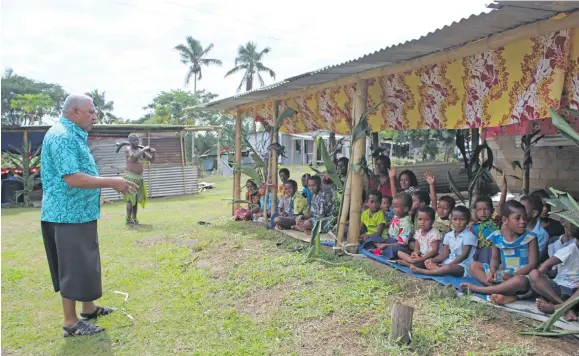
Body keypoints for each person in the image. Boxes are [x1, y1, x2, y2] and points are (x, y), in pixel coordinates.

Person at [40, 94, 138, 337]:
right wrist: (113, 182)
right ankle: (71, 322)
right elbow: (72, 178)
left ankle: (89, 309)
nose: (95, 116)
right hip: (66, 215)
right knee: (73, 267)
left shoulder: (72, 134)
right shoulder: (62, 136)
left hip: (80, 213)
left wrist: (97, 192)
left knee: (86, 262)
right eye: (91, 112)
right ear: (75, 111)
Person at [464, 200, 539, 291]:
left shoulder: (530, 238)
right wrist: (492, 271)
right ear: (505, 220)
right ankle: (495, 287)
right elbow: (495, 258)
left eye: (525, 217)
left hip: (522, 276)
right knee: (473, 265)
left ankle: (484, 289)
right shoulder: (496, 237)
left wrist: (514, 275)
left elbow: (532, 264)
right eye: (518, 218)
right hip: (504, 274)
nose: (523, 221)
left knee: (520, 281)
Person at [409, 206, 478, 278]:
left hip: (463, 265)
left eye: (462, 219)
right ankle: (437, 269)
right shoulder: (449, 235)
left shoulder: (469, 236)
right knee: (429, 262)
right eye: (455, 219)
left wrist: (449, 265)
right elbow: (444, 254)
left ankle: (423, 272)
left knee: (448, 268)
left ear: (467, 221)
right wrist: (433, 260)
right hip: (448, 262)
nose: (458, 222)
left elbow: (464, 255)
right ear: (451, 219)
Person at [530, 223, 579, 321]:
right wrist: (540, 279)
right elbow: (545, 265)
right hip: (559, 289)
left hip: (575, 294)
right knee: (533, 274)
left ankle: (557, 308)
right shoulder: (571, 249)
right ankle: (565, 308)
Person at [365, 192, 413, 259]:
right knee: (373, 238)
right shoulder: (397, 215)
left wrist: (387, 245)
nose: (393, 209)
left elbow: (402, 243)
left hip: (399, 244)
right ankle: (381, 249)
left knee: (395, 250)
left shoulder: (406, 223)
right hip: (390, 240)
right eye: (393, 207)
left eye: (396, 207)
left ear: (405, 209)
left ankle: (380, 251)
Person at [122, 133, 156, 225]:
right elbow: (133, 158)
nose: (136, 142)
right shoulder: (128, 149)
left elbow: (151, 160)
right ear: (130, 141)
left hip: (139, 178)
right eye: (134, 140)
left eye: (137, 140)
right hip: (130, 177)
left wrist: (153, 153)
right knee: (130, 200)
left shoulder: (141, 150)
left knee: (135, 200)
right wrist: (144, 149)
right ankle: (128, 220)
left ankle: (134, 219)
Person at [470, 196, 500, 264]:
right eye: (479, 210)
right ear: (476, 212)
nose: (482, 213)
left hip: (496, 253)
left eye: (485, 209)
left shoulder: (496, 223)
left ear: (492, 210)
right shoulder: (473, 227)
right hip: (480, 254)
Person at [425, 171, 455, 235]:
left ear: (451, 210)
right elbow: (433, 201)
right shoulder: (436, 216)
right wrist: (431, 184)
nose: (441, 210)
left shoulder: (451, 223)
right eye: (439, 207)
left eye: (445, 208)